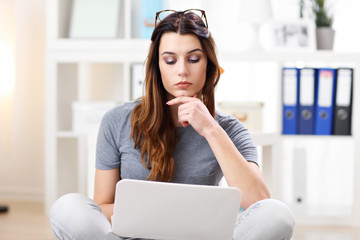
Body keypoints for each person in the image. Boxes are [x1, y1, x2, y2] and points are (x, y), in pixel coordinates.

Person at [50, 9, 295, 240]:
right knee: (68, 208)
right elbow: (101, 207)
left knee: (277, 214)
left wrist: (210, 129)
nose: (182, 71)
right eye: (170, 60)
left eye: (193, 59)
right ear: (157, 67)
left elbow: (260, 201)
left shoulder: (228, 129)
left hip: (200, 236)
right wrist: (157, 213)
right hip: (135, 235)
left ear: (208, 64)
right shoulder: (117, 120)